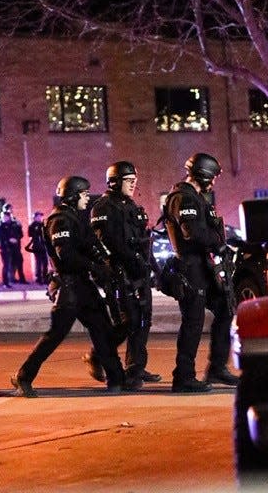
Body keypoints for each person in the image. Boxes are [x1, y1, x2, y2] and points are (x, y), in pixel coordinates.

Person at [11, 176, 125, 397]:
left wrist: (104, 264)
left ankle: (116, 379)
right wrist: (95, 266)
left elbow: (87, 245)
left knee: (102, 329)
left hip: (83, 284)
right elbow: (67, 256)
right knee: (55, 335)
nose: (87, 198)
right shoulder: (60, 220)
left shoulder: (75, 217)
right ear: (73, 196)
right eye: (84, 194)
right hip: (69, 287)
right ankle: (23, 376)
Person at [163, 153, 239, 393]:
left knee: (226, 309)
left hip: (204, 266)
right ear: (203, 174)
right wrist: (218, 242)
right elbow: (192, 233)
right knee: (193, 322)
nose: (214, 182)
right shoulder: (183, 198)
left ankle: (217, 367)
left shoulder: (195, 197)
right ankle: (183, 377)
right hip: (191, 267)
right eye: (212, 177)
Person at [85, 162, 161, 390]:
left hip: (139, 271)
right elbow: (107, 244)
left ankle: (135, 368)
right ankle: (98, 355)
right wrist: (126, 265)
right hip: (120, 274)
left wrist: (153, 269)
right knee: (129, 322)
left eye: (134, 180)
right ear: (115, 182)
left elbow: (141, 242)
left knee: (143, 321)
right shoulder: (103, 207)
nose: (133, 184)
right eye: (128, 180)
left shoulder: (129, 205)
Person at [0, 210, 27, 286]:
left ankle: (21, 279)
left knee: (19, 262)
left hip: (15, 247)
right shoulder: (1, 226)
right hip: (5, 248)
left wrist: (16, 239)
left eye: (6, 216)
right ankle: (6, 283)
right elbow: (0, 237)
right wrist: (9, 239)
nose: (5, 218)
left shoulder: (14, 224)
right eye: (3, 217)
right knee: (6, 265)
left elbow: (20, 234)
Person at [26, 211, 49, 284]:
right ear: (35, 217)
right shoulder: (32, 225)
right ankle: (38, 278)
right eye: (38, 216)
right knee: (38, 263)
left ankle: (45, 278)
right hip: (37, 246)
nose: (40, 218)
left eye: (40, 216)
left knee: (45, 263)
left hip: (44, 246)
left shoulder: (43, 224)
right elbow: (30, 234)